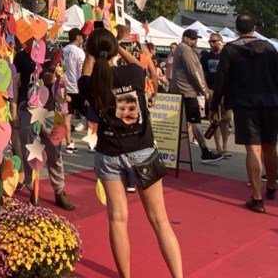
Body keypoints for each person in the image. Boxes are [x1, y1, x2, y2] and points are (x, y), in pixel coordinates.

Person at [78, 27, 183, 278]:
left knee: (117, 219)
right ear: (115, 50)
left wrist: (93, 52)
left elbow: (85, 72)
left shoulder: (90, 84)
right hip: (142, 151)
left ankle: (125, 275)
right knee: (160, 221)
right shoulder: (132, 73)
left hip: (110, 153)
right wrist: (117, 45)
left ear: (90, 52)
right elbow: (140, 64)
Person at [209, 14, 278, 214]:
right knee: (270, 146)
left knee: (253, 149)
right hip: (271, 101)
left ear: (236, 28)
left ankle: (257, 197)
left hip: (245, 103)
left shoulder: (230, 49)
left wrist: (214, 106)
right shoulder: (269, 48)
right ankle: (271, 185)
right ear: (254, 27)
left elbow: (221, 81)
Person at [13, 41, 75, 210]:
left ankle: (59, 191)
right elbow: (15, 83)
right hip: (28, 109)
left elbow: (65, 81)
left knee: (54, 152)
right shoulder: (21, 55)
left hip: (49, 111)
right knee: (30, 154)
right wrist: (14, 110)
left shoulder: (53, 53)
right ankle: (33, 190)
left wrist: (56, 80)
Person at [170, 29, 223, 163]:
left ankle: (201, 151)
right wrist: (204, 90)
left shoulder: (183, 49)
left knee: (187, 122)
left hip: (184, 91)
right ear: (185, 38)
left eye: (196, 38)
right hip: (186, 92)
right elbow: (194, 72)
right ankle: (204, 152)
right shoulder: (185, 50)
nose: (195, 41)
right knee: (195, 122)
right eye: (193, 39)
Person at [200, 34, 232, 158]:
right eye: (210, 42)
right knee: (215, 119)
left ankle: (225, 146)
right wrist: (206, 89)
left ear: (221, 42)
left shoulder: (226, 54)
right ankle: (218, 147)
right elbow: (201, 73)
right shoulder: (206, 56)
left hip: (225, 91)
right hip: (212, 90)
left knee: (226, 119)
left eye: (214, 41)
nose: (212, 44)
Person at [62, 28, 87, 140]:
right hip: (79, 89)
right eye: (82, 37)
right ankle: (92, 144)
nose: (83, 39)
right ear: (78, 37)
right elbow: (82, 71)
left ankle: (69, 144)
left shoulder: (63, 50)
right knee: (90, 116)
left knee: (67, 119)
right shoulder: (79, 52)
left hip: (66, 90)